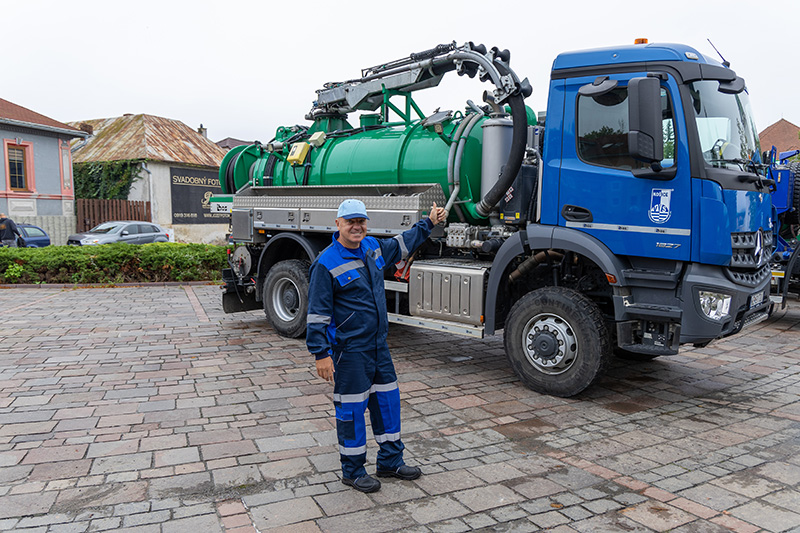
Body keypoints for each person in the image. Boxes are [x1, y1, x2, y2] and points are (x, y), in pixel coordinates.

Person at [306, 198, 446, 493]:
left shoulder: (372, 247)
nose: (356, 227)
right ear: (338, 224)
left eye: (361, 221)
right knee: (352, 410)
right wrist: (321, 353)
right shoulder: (326, 263)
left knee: (387, 403)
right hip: (350, 351)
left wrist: (430, 222)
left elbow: (403, 243)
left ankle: (390, 462)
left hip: (379, 347)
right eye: (350, 222)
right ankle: (353, 471)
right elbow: (318, 313)